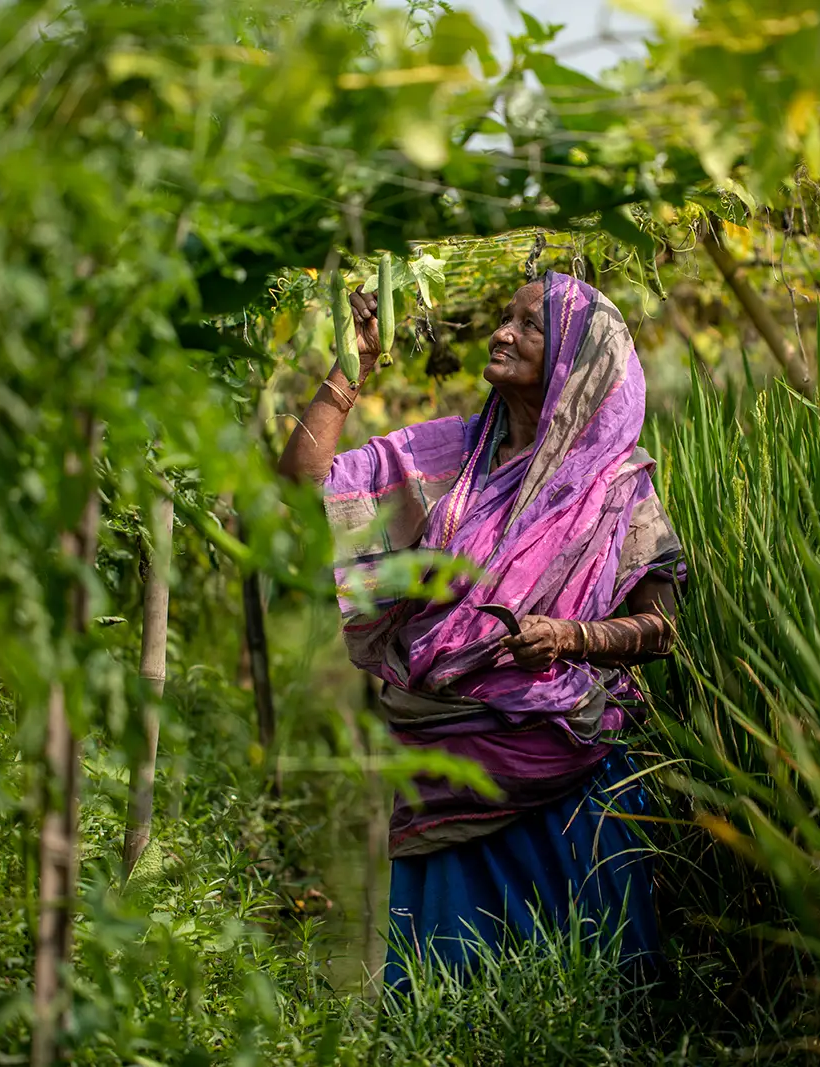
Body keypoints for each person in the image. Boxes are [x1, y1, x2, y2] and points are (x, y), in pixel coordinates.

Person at [277, 269, 684, 989]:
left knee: (591, 998)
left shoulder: (618, 487)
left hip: (568, 782)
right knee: (448, 998)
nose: (502, 331)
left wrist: (569, 637)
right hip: (446, 778)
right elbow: (305, 482)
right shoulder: (449, 459)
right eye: (506, 316)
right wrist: (350, 370)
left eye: (530, 324)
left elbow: (659, 627)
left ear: (574, 364)